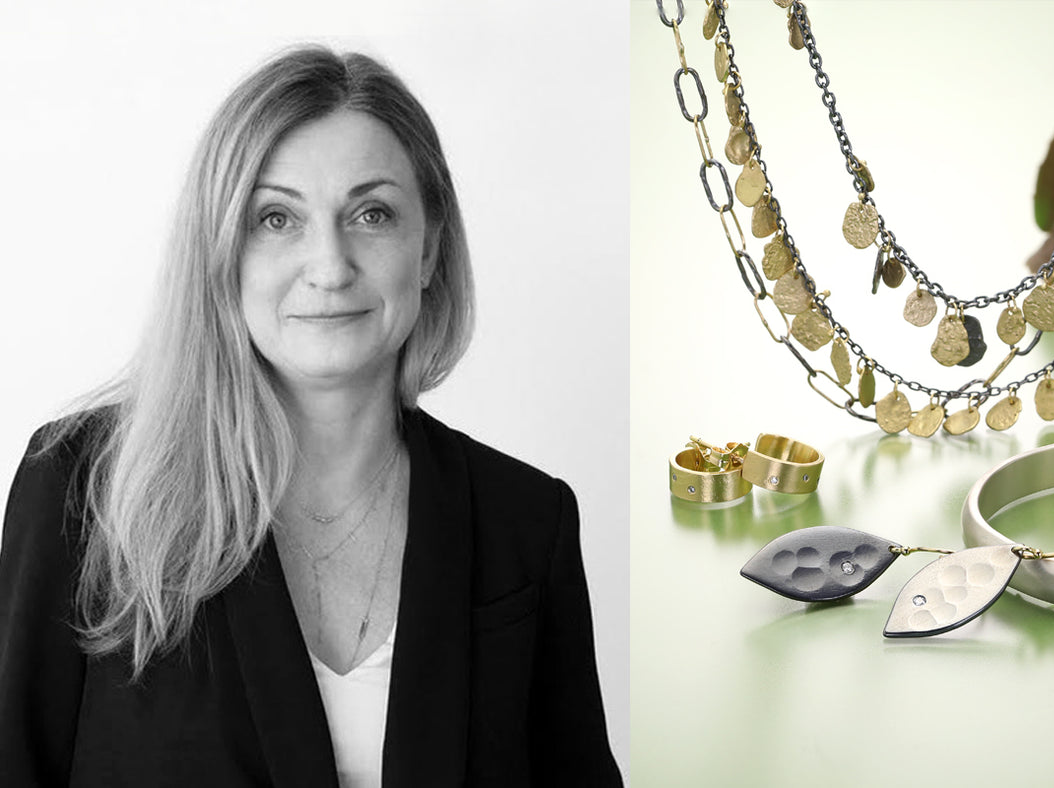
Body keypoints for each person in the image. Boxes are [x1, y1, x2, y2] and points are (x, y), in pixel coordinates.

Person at [0, 46, 622, 787]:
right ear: (220, 250)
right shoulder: (83, 489)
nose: (329, 266)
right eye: (276, 218)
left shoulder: (527, 521)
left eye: (372, 213)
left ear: (428, 250)